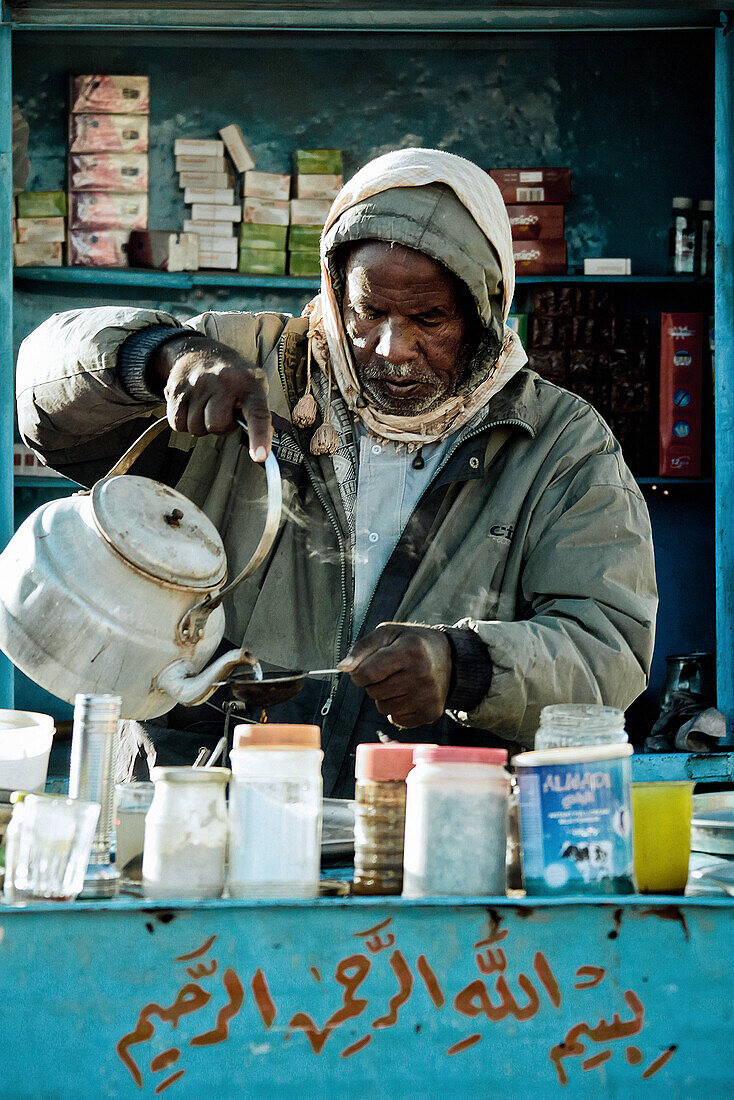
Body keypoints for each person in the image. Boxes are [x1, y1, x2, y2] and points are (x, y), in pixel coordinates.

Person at [16, 148, 657, 795]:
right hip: (196, 799)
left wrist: (466, 666)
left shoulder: (559, 444)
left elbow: (608, 649)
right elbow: (41, 398)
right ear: (334, 287)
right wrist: (159, 356)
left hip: (417, 821)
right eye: (368, 311)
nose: (392, 350)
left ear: (484, 310)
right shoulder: (248, 363)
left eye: (428, 319)